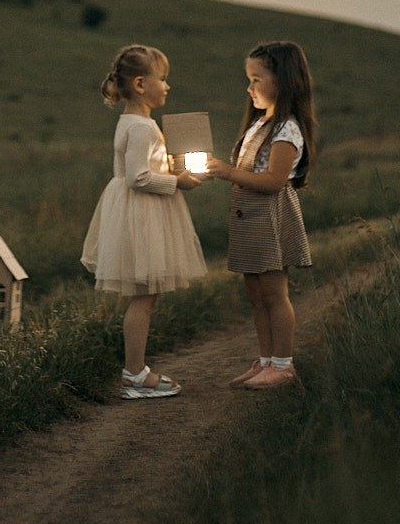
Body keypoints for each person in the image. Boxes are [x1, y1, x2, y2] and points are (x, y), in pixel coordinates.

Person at [81, 44, 206, 398]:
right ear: (139, 84)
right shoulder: (142, 128)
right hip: (141, 212)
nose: (167, 86)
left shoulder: (135, 123)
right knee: (144, 297)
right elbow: (138, 178)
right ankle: (134, 374)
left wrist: (173, 167)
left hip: (137, 211)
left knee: (145, 296)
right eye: (162, 79)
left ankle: (135, 371)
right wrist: (176, 182)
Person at [203, 40, 316, 390]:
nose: (249, 87)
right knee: (256, 293)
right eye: (249, 79)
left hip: (270, 216)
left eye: (256, 79)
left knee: (274, 293)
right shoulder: (260, 123)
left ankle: (283, 366)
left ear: (282, 81)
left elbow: (274, 181)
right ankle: (266, 360)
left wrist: (226, 172)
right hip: (248, 219)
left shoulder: (287, 129)